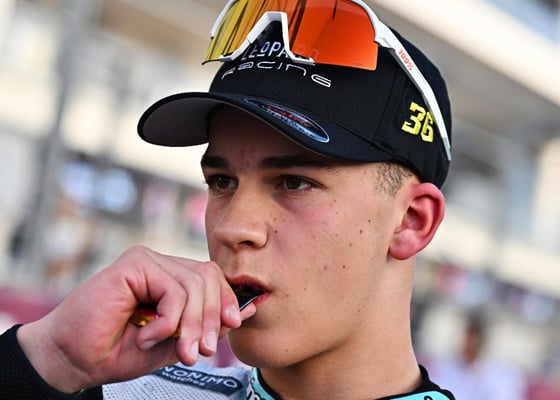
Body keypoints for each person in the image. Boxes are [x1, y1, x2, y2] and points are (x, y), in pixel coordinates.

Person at [0, 1, 456, 398]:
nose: (231, 228)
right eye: (222, 181)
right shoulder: (120, 392)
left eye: (294, 182)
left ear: (411, 220)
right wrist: (50, 357)